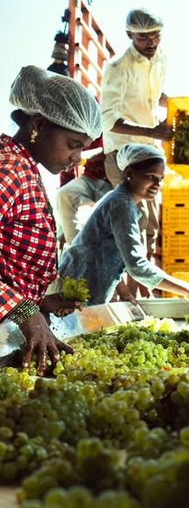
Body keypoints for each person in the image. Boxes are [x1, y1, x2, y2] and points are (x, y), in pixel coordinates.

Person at [2, 65, 103, 375]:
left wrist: (38, 301)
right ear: (38, 124)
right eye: (73, 145)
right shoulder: (7, 168)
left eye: (82, 149)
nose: (77, 159)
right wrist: (24, 310)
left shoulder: (24, 164)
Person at [58, 143, 189, 316]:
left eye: (161, 178)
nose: (157, 184)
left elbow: (110, 252)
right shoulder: (121, 205)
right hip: (76, 289)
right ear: (129, 174)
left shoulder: (123, 201)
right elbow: (137, 266)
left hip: (83, 285)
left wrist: (124, 292)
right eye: (150, 176)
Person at [100, 8, 173, 259]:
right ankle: (127, 292)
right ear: (129, 34)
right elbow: (107, 119)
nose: (151, 42)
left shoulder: (160, 58)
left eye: (156, 36)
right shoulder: (118, 68)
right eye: (143, 38)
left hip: (151, 152)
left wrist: (178, 106)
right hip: (124, 155)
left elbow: (155, 96)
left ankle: (145, 292)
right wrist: (152, 130)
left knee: (150, 226)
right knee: (131, 226)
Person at [56, 137, 112, 245]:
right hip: (90, 180)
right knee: (64, 193)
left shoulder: (105, 128)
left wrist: (82, 157)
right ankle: (75, 248)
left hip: (112, 182)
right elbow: (66, 175)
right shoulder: (75, 134)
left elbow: (106, 151)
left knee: (94, 216)